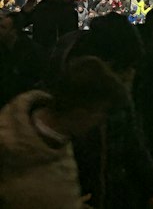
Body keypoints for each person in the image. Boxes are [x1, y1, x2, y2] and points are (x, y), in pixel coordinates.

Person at [0, 56, 127, 208]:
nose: (100, 125)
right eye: (100, 116)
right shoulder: (14, 151)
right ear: (81, 113)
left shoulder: (56, 141)